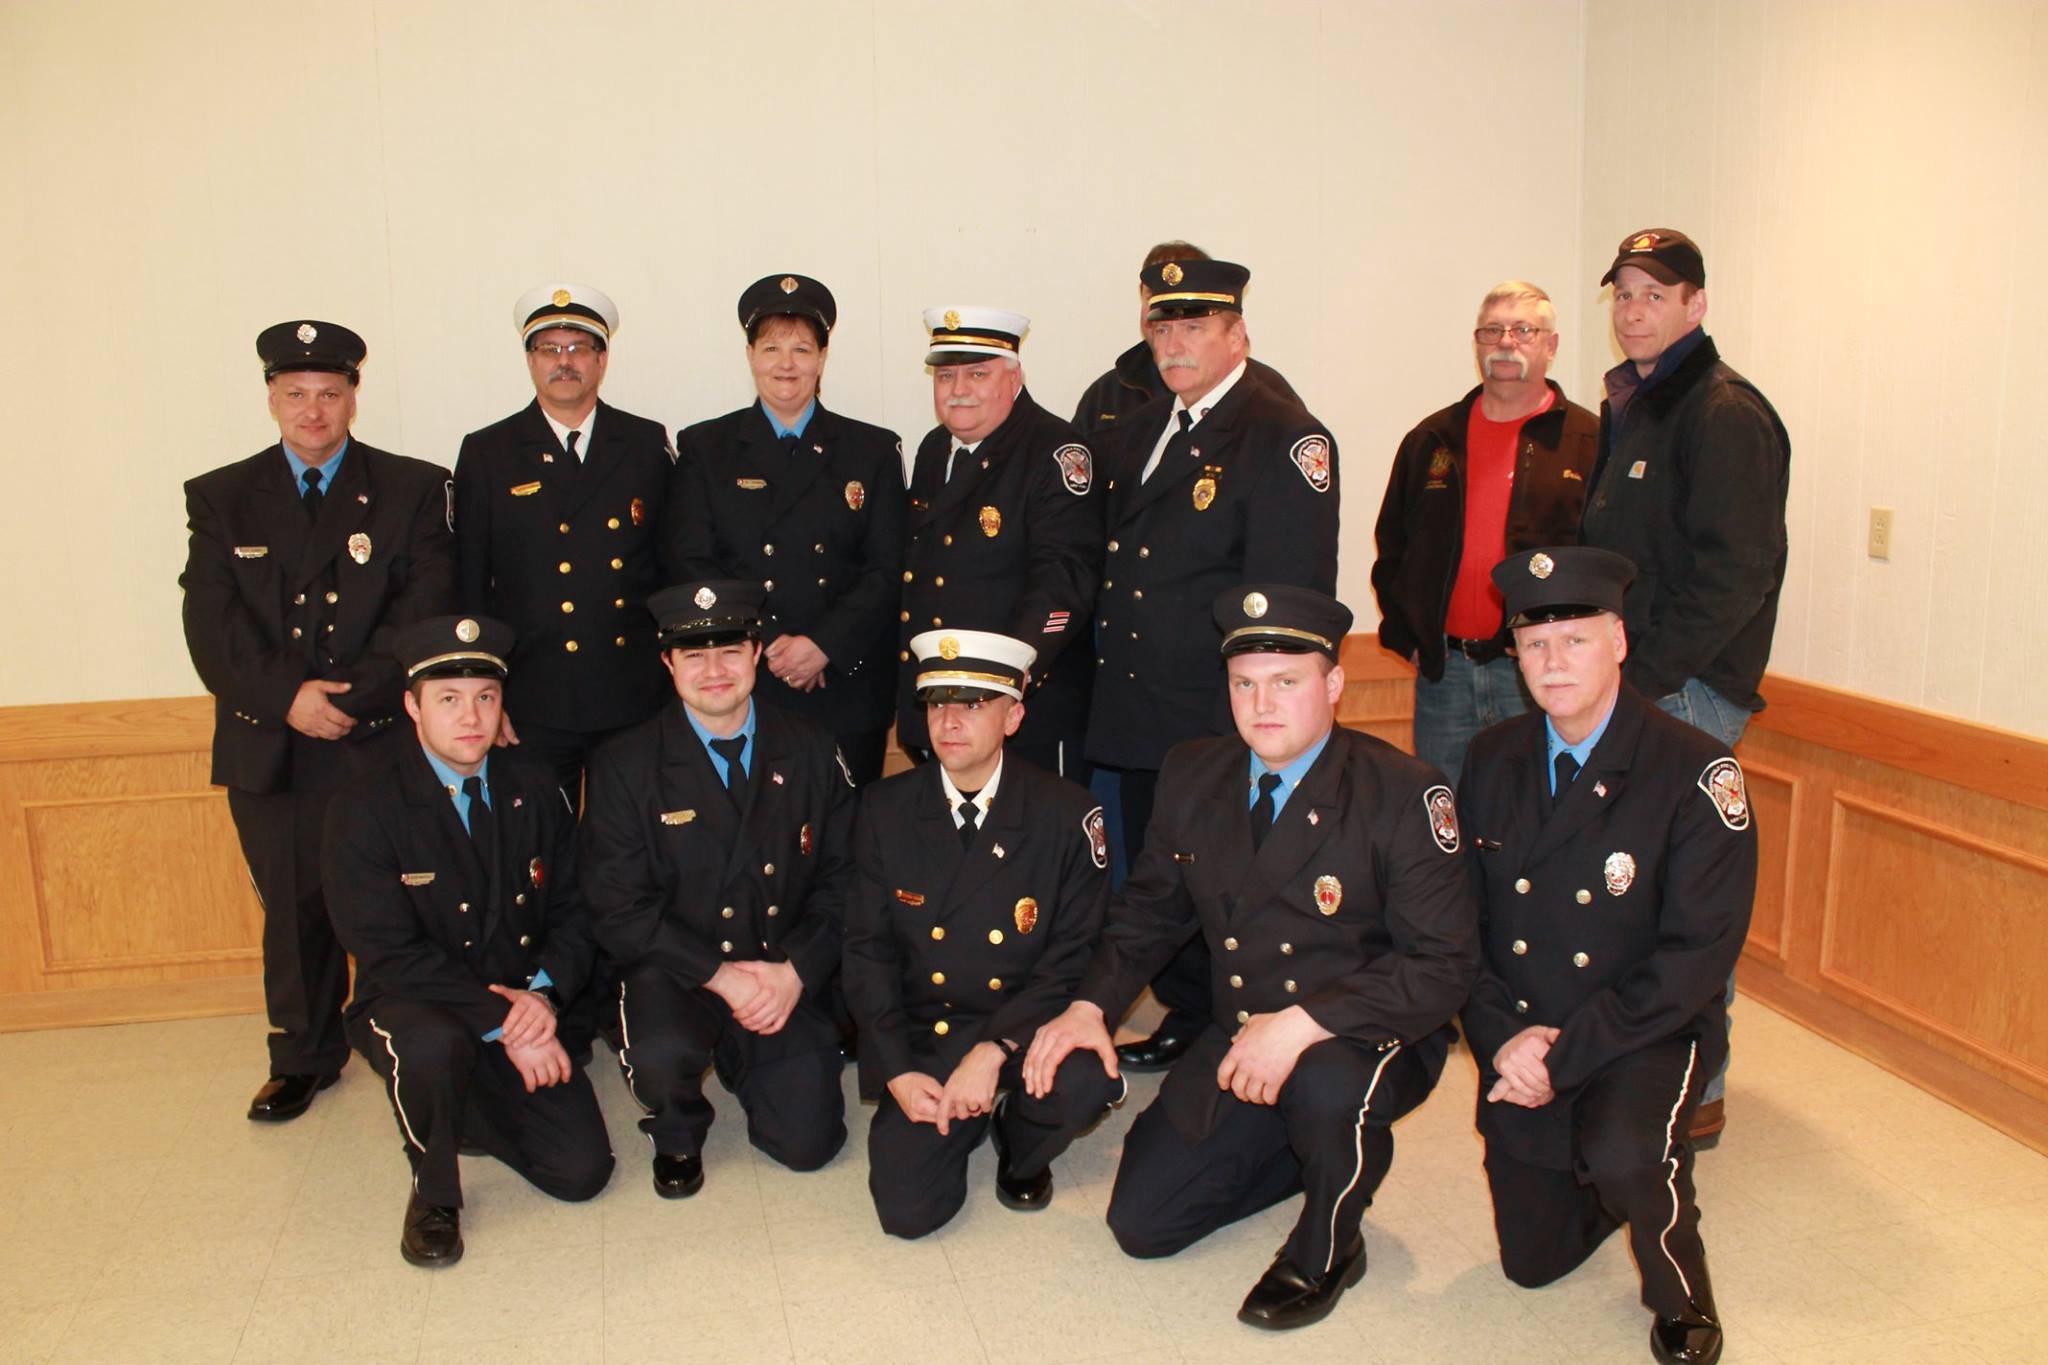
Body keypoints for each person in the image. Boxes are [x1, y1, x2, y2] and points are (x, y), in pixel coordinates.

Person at [1027, 586, 1477, 1331]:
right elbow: (1149, 912)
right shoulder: (1194, 772)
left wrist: (1303, 1024)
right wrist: (1089, 1006)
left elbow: (1443, 965)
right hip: (1243, 1025)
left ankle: (1331, 1241)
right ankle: (1309, 1148)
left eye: (1286, 681)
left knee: (1327, 1088)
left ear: (1334, 683)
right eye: (1244, 683)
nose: (1261, 704)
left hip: (1368, 1031)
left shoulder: (1402, 792)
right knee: (1143, 1221)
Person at [1457, 545, 1755, 1365]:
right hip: (1527, 1026)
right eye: (1534, 643)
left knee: (1627, 1152)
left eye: (1576, 639)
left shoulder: (1695, 770)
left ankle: (1681, 1289)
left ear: (1619, 642)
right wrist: (1503, 1039)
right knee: (1532, 1262)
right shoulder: (1492, 757)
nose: (1553, 662)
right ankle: (1596, 1168)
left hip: (1645, 1028)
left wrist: (1566, 1057)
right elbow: (1460, 923)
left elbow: (1696, 953)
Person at [180, 319, 453, 1123]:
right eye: (295, 393)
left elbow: (423, 610)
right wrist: (290, 698)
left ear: (352, 398)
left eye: (328, 394)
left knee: (409, 899)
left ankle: (423, 1040)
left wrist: (352, 697)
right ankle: (302, 1055)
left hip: (377, 735)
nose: (312, 410)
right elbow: (212, 625)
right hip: (275, 741)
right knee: (295, 907)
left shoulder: (411, 488)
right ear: (271, 398)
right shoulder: (223, 496)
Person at [1085, 257, 1341, 1075]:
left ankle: (1222, 1023)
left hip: (1215, 712)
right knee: (1159, 878)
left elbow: (1288, 601)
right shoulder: (1139, 430)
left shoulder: (1282, 436)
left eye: (1195, 327)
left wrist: (1263, 716)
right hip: (1135, 707)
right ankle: (1190, 1011)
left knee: (1223, 881)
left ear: (1238, 334)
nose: (1174, 344)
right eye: (1162, 327)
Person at [1581, 228, 1790, 1142]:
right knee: (1631, 893)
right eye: (1624, 294)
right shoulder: (1639, 404)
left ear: (1696, 304)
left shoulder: (1722, 411)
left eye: (1655, 295)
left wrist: (1644, 681)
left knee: (1687, 895)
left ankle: (1697, 1087)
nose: (1634, 311)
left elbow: (1737, 574)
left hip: (1685, 692)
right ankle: (1636, 1069)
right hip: (1636, 686)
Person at [323, 615, 614, 1267]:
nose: (471, 716)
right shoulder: (365, 805)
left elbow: (576, 908)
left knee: (581, 1171)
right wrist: (503, 1019)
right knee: (433, 1047)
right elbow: (387, 950)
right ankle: (433, 1186)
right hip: (415, 1000)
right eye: (449, 698)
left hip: (522, 998)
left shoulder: (534, 784)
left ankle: (466, 1099)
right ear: (413, 706)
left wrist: (541, 998)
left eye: (486, 696)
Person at [580, 580, 854, 1198]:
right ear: (667, 663)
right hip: (677, 969)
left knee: (809, 1145)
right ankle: (677, 1126)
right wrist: (722, 978)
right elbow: (618, 908)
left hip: (777, 965)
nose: (714, 671)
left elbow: (847, 876)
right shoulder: (625, 764)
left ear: (756, 653)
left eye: (730, 652)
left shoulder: (810, 747)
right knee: (661, 1053)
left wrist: (796, 972)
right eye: (694, 656)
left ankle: (742, 1054)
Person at [843, 628, 1121, 1237]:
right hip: (932, 1030)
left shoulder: (1067, 813)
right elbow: (867, 951)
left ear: (1013, 717)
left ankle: (1018, 1142)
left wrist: (995, 1049)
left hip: (1028, 1025)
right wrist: (897, 1069)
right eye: (936, 704)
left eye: (972, 705)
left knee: (1084, 1081)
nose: (949, 722)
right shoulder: (884, 808)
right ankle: (960, 1114)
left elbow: (1075, 957)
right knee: (908, 1213)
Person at [666, 273, 907, 785]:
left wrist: (824, 644)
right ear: (750, 355)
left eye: (801, 349)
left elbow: (887, 569)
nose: (786, 364)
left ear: (822, 358)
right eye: (771, 348)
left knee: (848, 821)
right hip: (750, 676)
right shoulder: (706, 448)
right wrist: (770, 642)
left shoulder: (872, 450)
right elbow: (693, 562)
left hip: (845, 676)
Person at [452, 283, 675, 804]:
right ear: (530, 360)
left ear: (602, 359)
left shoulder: (645, 443)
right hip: (533, 696)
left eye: (578, 348)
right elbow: (470, 584)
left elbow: (671, 567)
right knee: (540, 838)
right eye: (549, 349)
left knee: (634, 834)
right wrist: (484, 693)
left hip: (632, 691)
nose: (564, 361)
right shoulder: (488, 452)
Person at [1372, 279, 1598, 781]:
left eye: (1523, 330)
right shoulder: (1432, 439)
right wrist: (1408, 637)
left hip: (1542, 672)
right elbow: (1393, 547)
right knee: (1443, 814)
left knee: (1541, 809)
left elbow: (1607, 558)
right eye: (1491, 330)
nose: (1505, 342)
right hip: (1446, 677)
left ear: (1551, 345)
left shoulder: (1588, 441)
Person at [897, 307, 1103, 777]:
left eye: (977, 374)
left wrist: (1007, 678)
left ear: (1014, 378)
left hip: (1020, 711)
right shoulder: (935, 449)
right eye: (945, 376)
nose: (958, 390)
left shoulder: (1056, 453)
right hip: (942, 706)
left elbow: (1064, 581)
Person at [1070, 240, 1298, 437]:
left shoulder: (1269, 391)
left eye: (1191, 327)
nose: (1173, 345)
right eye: (1153, 297)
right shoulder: (1108, 394)